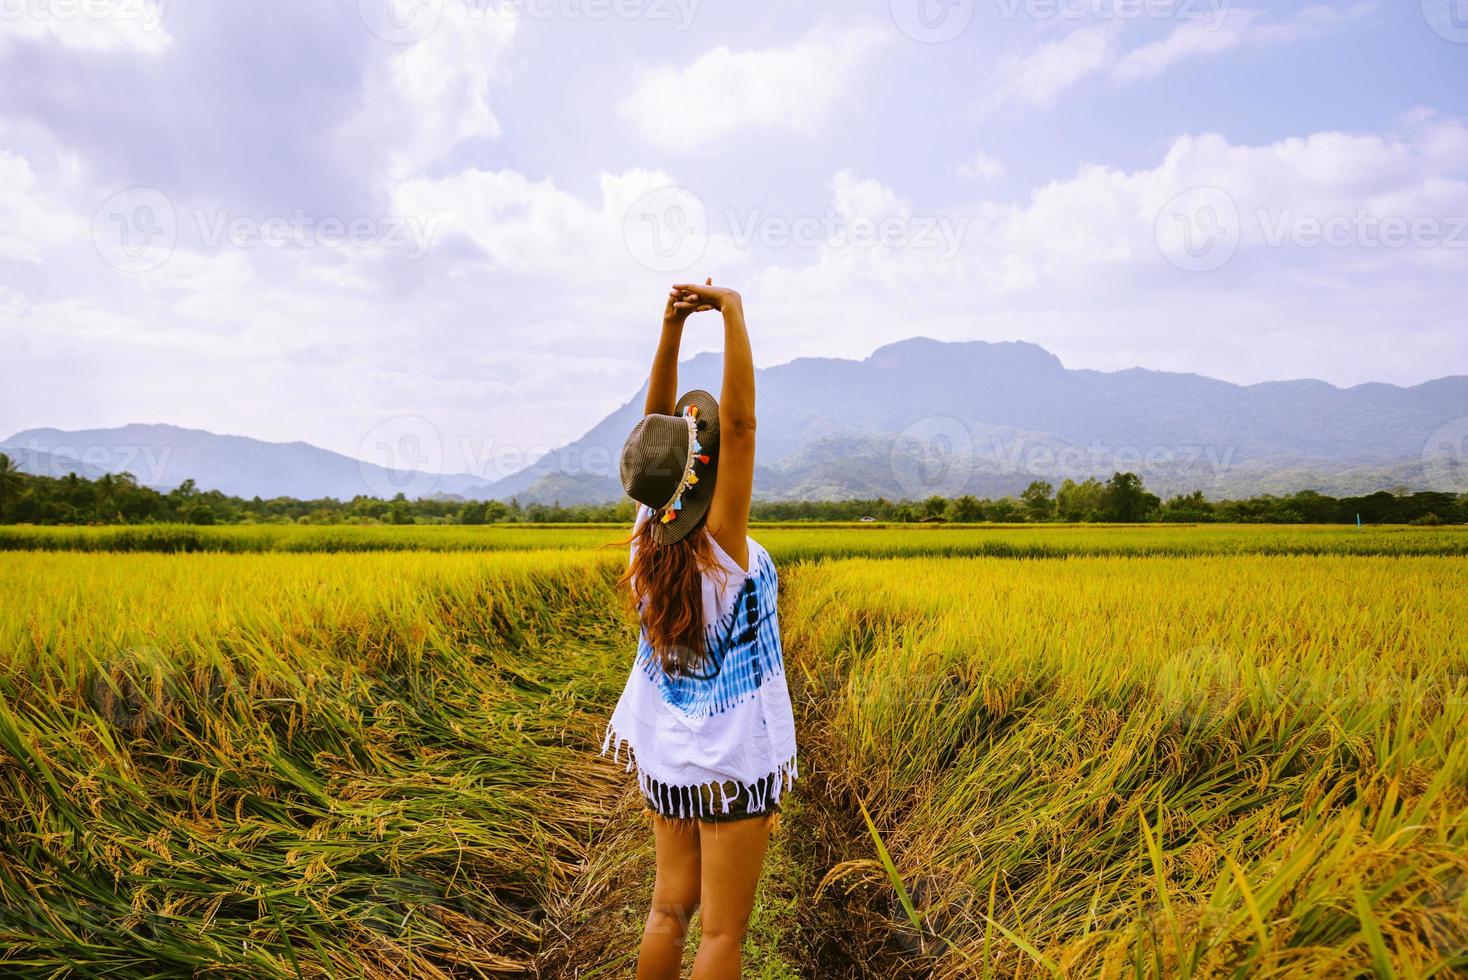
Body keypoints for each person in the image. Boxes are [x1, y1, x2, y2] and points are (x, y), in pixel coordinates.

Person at [601, 280, 798, 979]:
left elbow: (653, 436)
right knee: (721, 935)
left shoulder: (645, 540)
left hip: (669, 758)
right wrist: (733, 311)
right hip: (734, 761)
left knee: (666, 912)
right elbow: (740, 428)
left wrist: (671, 331)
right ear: (701, 472)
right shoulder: (723, 545)